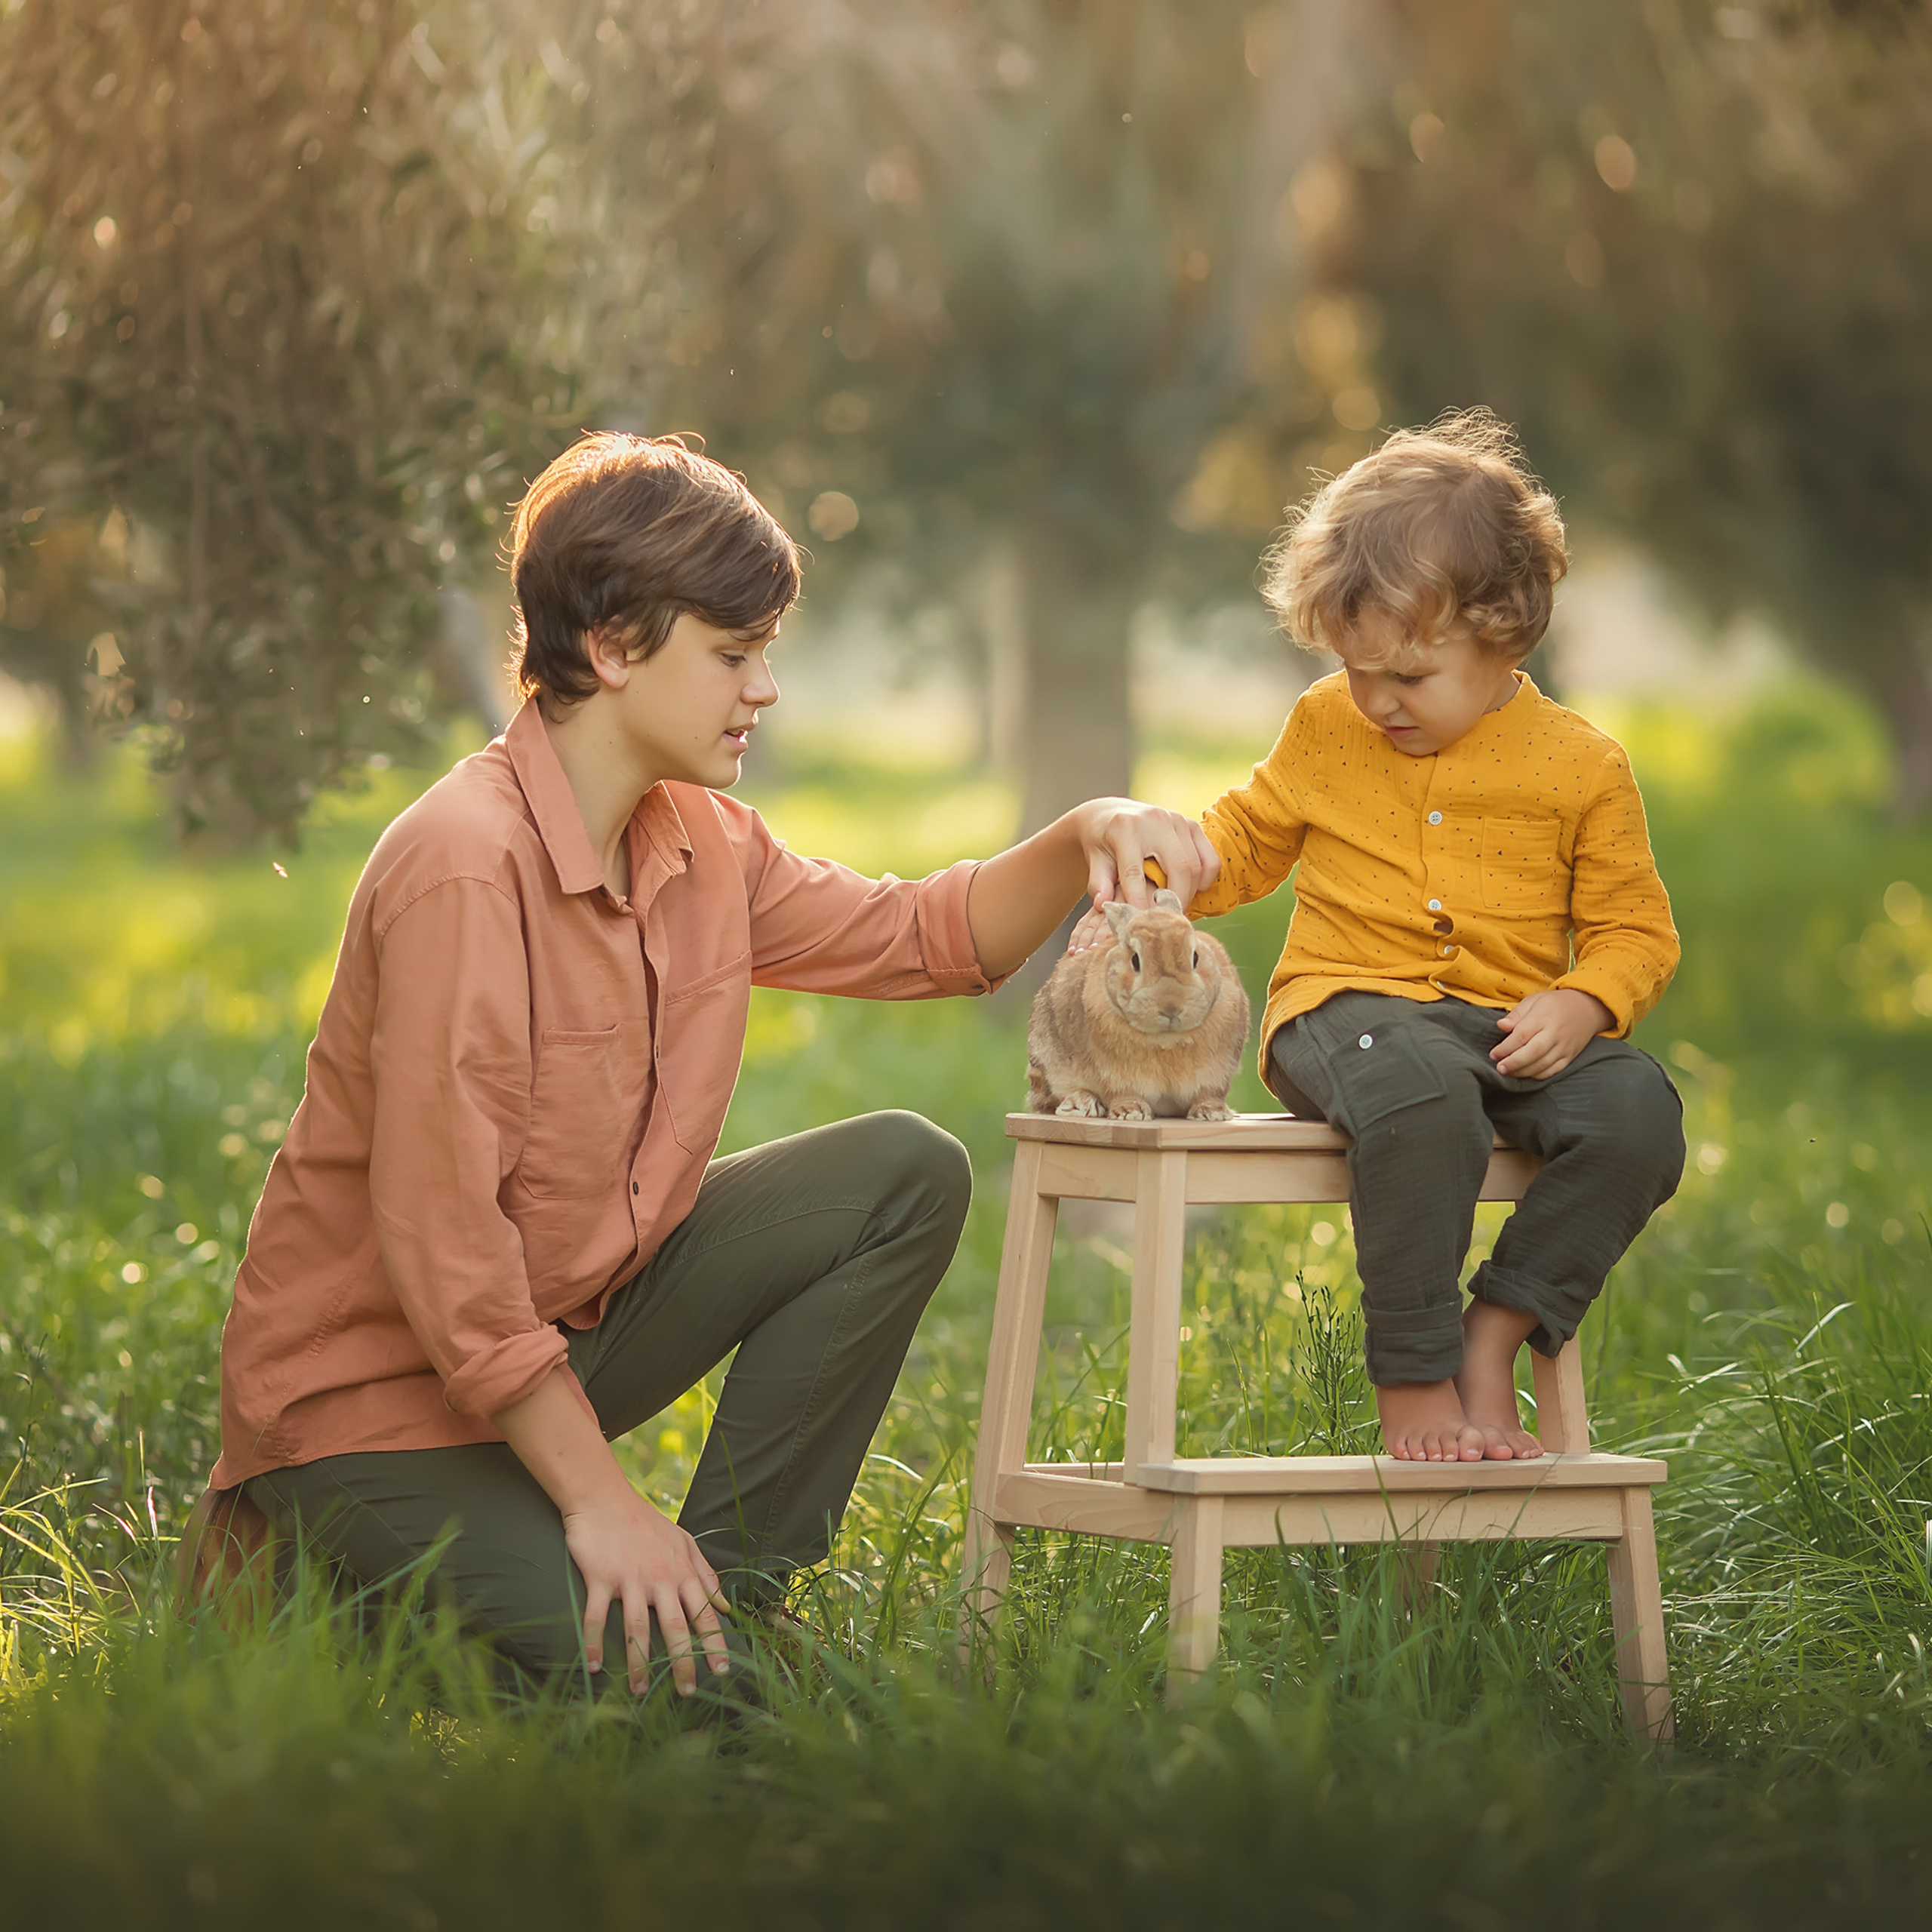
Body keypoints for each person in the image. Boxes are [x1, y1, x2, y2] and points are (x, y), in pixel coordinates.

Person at [204, 432, 1217, 1698]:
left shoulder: (698, 841)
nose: (767, 690)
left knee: (903, 1173)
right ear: (615, 647)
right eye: (734, 655)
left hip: (554, 1348)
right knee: (716, 1715)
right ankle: (457, 1597)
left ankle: (731, 1601)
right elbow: (450, 1261)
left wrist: (1085, 835)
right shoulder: (461, 865)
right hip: (368, 1414)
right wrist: (606, 1505)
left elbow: (928, 937)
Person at [1182, 410, 1684, 1463]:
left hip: (1507, 1033)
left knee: (1639, 1109)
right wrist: (1169, 863)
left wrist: (1585, 1000)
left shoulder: (1581, 766)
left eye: (1408, 677)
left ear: (1507, 633)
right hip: (1344, 1013)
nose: (1376, 701)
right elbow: (1250, 838)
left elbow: (1634, 929)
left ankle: (1489, 1336)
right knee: (1420, 1095)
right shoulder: (1328, 724)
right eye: (1358, 670)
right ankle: (1411, 1379)